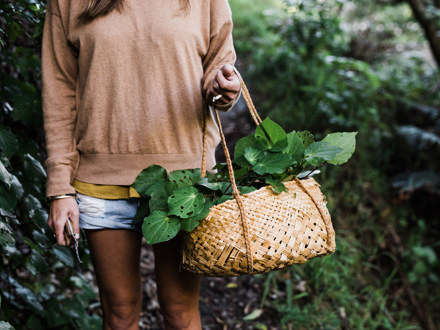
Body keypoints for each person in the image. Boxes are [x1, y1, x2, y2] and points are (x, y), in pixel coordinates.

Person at [41, 0, 241, 329]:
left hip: (183, 182)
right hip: (101, 180)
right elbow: (59, 88)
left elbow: (218, 69)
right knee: (119, 312)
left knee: (180, 311)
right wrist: (60, 188)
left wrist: (223, 88)